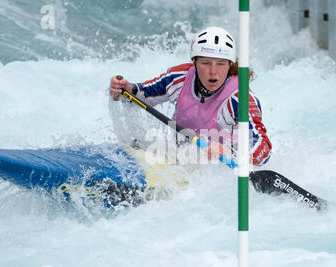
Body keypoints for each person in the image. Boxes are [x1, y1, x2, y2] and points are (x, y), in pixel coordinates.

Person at [109, 26, 272, 166]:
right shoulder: (179, 77)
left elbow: (263, 151)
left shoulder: (240, 98)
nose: (213, 71)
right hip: (180, 161)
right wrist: (125, 89)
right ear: (194, 62)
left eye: (221, 64)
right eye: (206, 63)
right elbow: (141, 94)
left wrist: (229, 151)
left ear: (230, 65)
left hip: (218, 172)